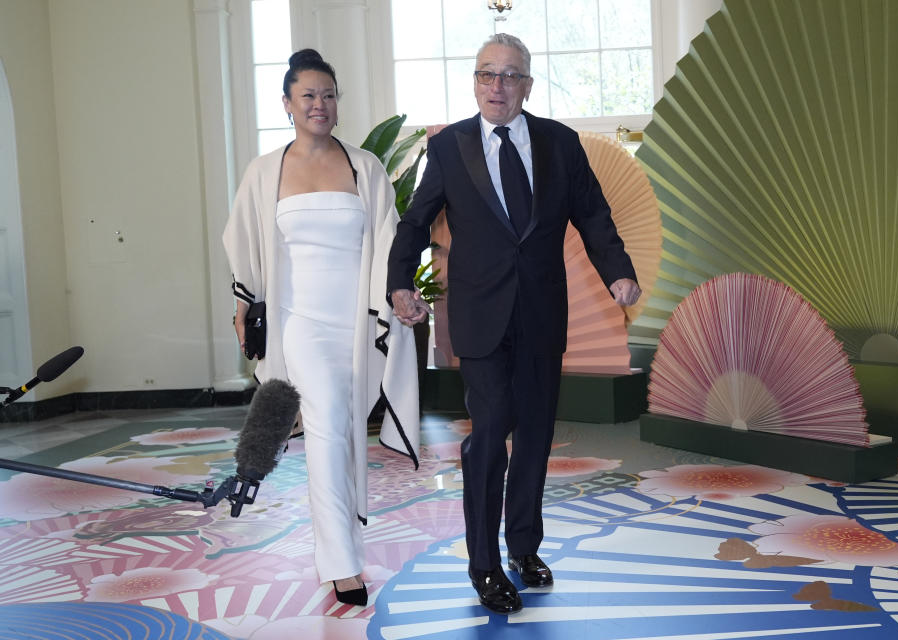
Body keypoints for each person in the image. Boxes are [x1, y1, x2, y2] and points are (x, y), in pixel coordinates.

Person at [386, 33, 641, 614]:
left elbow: (594, 215)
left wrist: (618, 272)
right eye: (486, 75)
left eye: (509, 76)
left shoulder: (560, 143)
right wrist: (401, 281)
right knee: (491, 431)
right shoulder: (449, 147)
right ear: (474, 82)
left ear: (527, 85)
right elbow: (416, 221)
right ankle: (484, 564)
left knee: (534, 438)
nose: (496, 86)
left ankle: (524, 546)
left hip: (542, 315)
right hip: (479, 318)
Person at [223, 49, 419, 607]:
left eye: (328, 95)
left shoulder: (365, 167)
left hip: (355, 326)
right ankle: (341, 563)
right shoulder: (265, 171)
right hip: (299, 323)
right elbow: (246, 250)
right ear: (286, 103)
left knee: (347, 434)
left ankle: (345, 541)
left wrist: (401, 296)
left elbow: (388, 241)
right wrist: (243, 312)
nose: (320, 105)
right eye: (308, 95)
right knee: (329, 427)